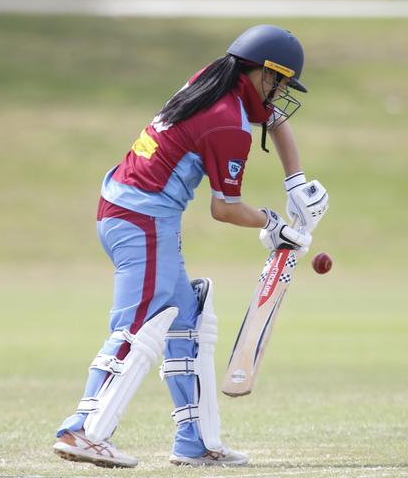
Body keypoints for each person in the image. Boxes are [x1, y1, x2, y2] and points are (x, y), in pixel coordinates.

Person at [53, 24, 329, 468]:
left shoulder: (214, 78)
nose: (280, 93)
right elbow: (225, 209)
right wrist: (275, 224)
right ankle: (83, 430)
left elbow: (274, 120)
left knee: (187, 319)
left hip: (132, 208)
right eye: (279, 82)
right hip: (141, 217)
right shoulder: (227, 120)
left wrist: (294, 179)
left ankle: (195, 441)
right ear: (262, 72)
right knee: (144, 322)